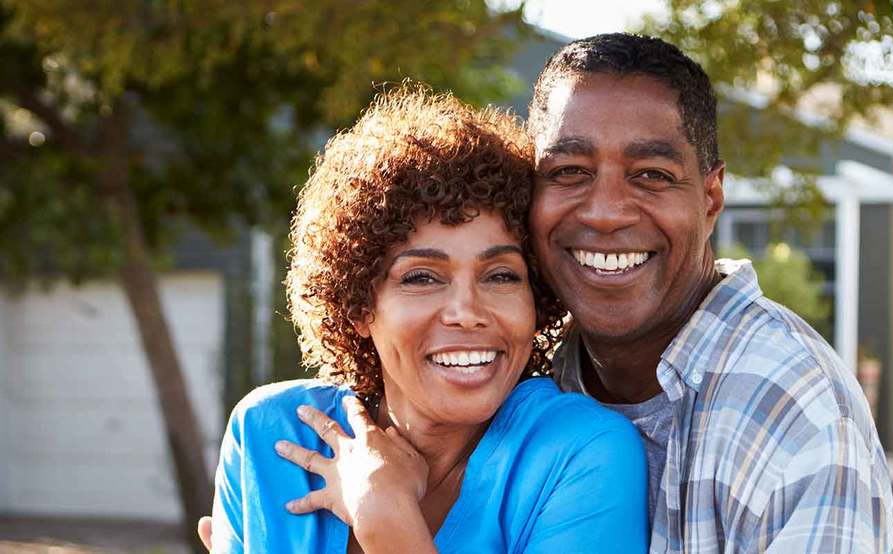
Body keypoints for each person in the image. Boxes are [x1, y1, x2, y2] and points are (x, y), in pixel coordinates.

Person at [209, 87, 648, 553]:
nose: (467, 312)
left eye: (501, 275)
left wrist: (382, 512)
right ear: (359, 305)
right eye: (421, 278)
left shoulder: (581, 455)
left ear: (536, 298)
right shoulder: (271, 434)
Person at [527, 33, 893, 551]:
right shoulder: (521, 376)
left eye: (651, 175)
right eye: (569, 172)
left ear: (711, 197)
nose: (605, 212)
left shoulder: (792, 409)